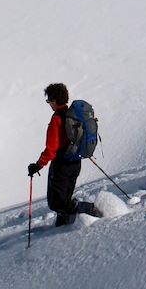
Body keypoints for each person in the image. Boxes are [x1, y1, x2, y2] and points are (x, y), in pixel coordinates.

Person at [28, 83, 102, 226]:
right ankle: (62, 227)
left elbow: (51, 149)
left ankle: (88, 209)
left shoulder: (57, 120)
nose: (48, 103)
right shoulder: (74, 116)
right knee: (64, 200)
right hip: (75, 163)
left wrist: (37, 165)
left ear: (54, 100)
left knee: (56, 203)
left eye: (49, 100)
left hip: (61, 166)